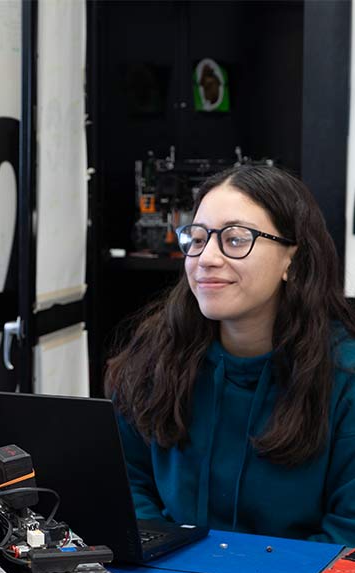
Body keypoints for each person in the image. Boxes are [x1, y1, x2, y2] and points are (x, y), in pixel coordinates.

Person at [106, 165, 355, 545]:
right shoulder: (154, 355)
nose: (206, 258)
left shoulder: (345, 378)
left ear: (292, 258)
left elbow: (347, 534)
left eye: (235, 240)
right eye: (197, 237)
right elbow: (127, 484)